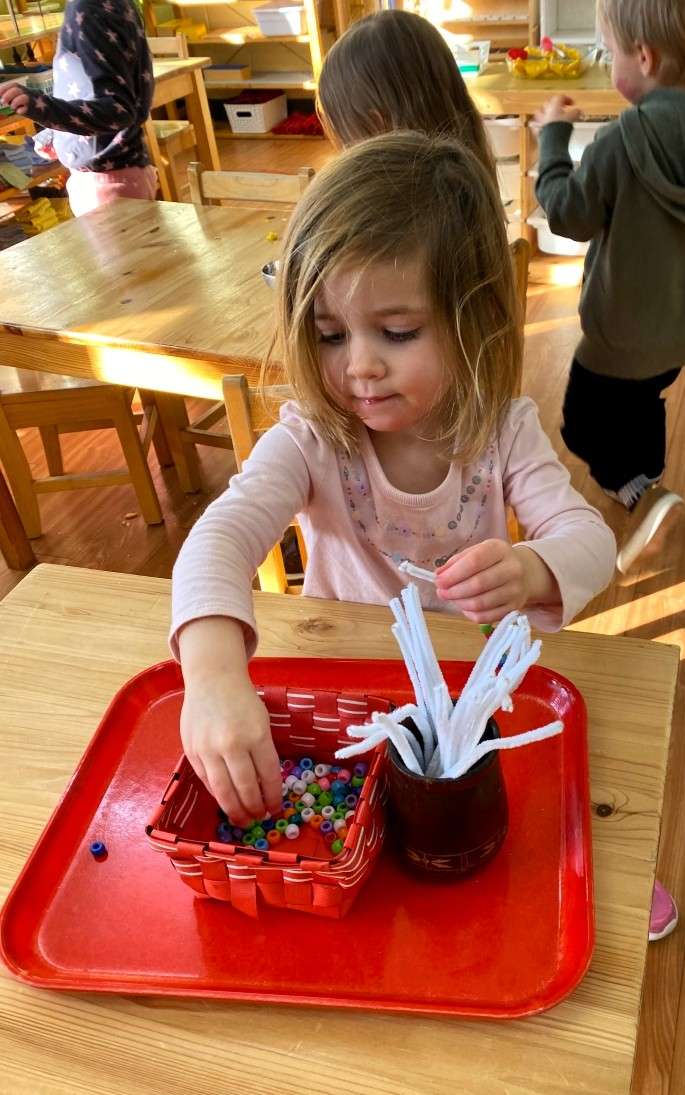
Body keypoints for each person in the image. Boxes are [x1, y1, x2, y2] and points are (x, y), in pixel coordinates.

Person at [170, 131, 615, 836]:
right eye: (330, 335)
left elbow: (591, 541)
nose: (360, 367)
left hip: (468, 705)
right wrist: (214, 677)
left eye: (398, 332)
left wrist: (532, 568)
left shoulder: (502, 431)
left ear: (474, 323)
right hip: (340, 700)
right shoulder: (314, 438)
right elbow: (219, 537)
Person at [534, 0, 685, 577]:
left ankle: (640, 491)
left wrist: (553, 140)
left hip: (615, 335)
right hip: (682, 329)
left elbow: (567, 214)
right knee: (645, 396)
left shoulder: (620, 141)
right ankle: (648, 475)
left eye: (610, 52)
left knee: (581, 424)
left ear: (644, 57)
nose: (610, 62)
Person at [0, 0, 157, 217]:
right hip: (115, 176)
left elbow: (117, 110)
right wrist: (59, 136)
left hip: (108, 185)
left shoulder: (88, 8)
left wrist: (43, 108)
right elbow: (95, 95)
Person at [316, 8, 496, 179]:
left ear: (377, 124)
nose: (344, 152)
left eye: (346, 141)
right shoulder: (469, 172)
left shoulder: (395, 195)